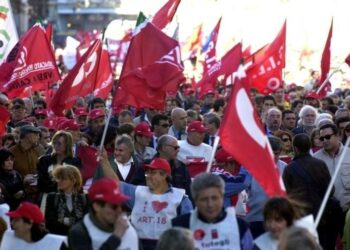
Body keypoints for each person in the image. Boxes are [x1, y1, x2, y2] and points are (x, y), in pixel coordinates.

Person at [99, 153, 193, 250]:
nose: (148, 176)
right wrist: (104, 161)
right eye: (147, 173)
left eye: (152, 173)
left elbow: (190, 227)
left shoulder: (180, 198)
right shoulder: (138, 192)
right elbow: (115, 184)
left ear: (164, 175)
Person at [282, 133, 340, 250]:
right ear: (309, 147)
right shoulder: (320, 164)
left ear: (295, 148)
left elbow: (287, 195)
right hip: (323, 216)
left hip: (301, 218)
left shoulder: (289, 169)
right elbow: (331, 190)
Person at [172, 173, 253, 250]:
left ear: (222, 197)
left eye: (214, 198)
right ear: (195, 200)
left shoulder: (240, 226)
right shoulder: (180, 226)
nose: (210, 204)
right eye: (204, 199)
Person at [68, 177, 139, 250]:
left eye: (123, 206)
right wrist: (116, 237)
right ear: (97, 207)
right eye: (114, 206)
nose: (120, 210)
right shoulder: (79, 232)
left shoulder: (127, 225)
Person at [0, 202, 67, 249]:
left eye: (17, 220)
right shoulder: (9, 238)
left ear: (30, 223)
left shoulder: (56, 244)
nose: (12, 223)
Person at [45, 165, 88, 235]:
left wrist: (65, 221)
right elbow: (49, 223)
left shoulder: (85, 198)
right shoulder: (52, 197)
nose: (59, 181)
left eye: (63, 179)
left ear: (73, 181)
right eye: (58, 178)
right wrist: (73, 221)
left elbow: (87, 222)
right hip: (59, 240)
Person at [37, 131, 81, 195]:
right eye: (54, 143)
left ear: (67, 145)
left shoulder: (75, 162)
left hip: (67, 196)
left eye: (59, 144)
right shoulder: (44, 160)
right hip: (48, 196)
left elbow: (76, 183)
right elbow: (41, 183)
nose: (56, 146)